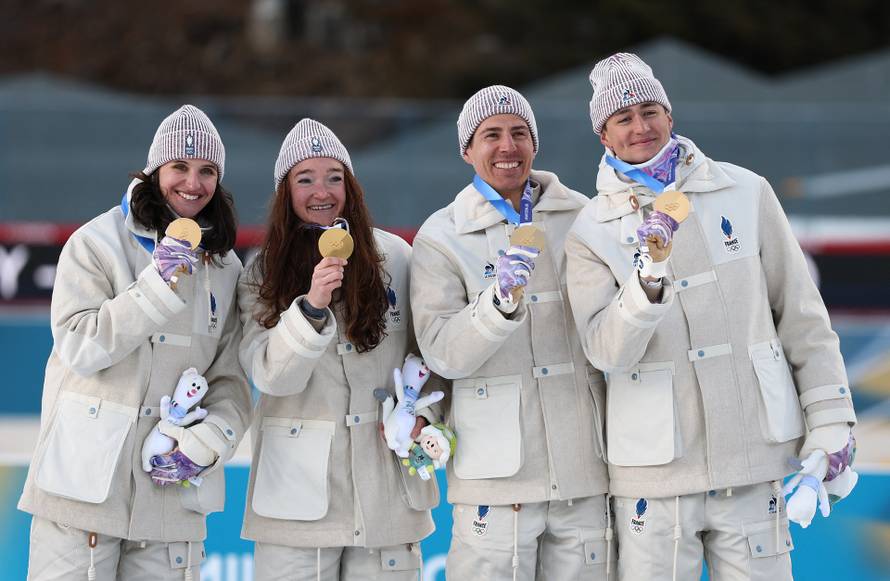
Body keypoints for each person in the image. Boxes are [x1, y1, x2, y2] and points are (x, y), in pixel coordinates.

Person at [565, 53, 857, 581]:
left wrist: (832, 421)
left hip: (753, 457)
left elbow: (802, 318)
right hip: (654, 473)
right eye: (623, 118)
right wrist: (647, 283)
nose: (640, 126)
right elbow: (605, 350)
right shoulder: (590, 229)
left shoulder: (746, 191)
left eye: (649, 111)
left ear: (669, 116)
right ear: (603, 136)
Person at [19, 104, 253, 580]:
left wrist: (204, 444)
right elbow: (80, 347)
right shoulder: (95, 243)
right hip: (82, 496)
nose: (193, 183)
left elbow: (230, 381)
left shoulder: (226, 267)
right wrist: (155, 287)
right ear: (154, 170)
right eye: (179, 166)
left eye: (207, 171)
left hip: (170, 503)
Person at [411, 86, 613, 580]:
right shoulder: (441, 235)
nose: (508, 146)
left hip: (583, 468)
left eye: (519, 133)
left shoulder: (584, 215)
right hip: (493, 480)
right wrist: (497, 303)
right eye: (491, 135)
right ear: (467, 150)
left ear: (534, 144)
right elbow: (443, 353)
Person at [238, 119, 438, 581]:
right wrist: (310, 308)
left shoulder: (396, 257)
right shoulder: (261, 272)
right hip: (296, 501)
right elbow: (271, 376)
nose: (321, 191)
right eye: (304, 179)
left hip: (386, 495)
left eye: (334, 177)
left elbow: (430, 355)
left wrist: (426, 419)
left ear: (350, 187)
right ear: (285, 193)